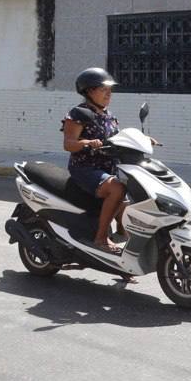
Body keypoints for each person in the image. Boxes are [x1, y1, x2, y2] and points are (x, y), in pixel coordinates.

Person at [63, 67, 126, 254]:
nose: (109, 93)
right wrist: (87, 143)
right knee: (117, 188)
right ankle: (101, 238)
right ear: (89, 91)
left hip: (108, 167)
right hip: (85, 168)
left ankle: (123, 237)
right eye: (103, 89)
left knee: (132, 190)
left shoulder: (108, 116)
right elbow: (69, 144)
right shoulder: (78, 114)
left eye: (110, 90)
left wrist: (142, 140)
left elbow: (118, 138)